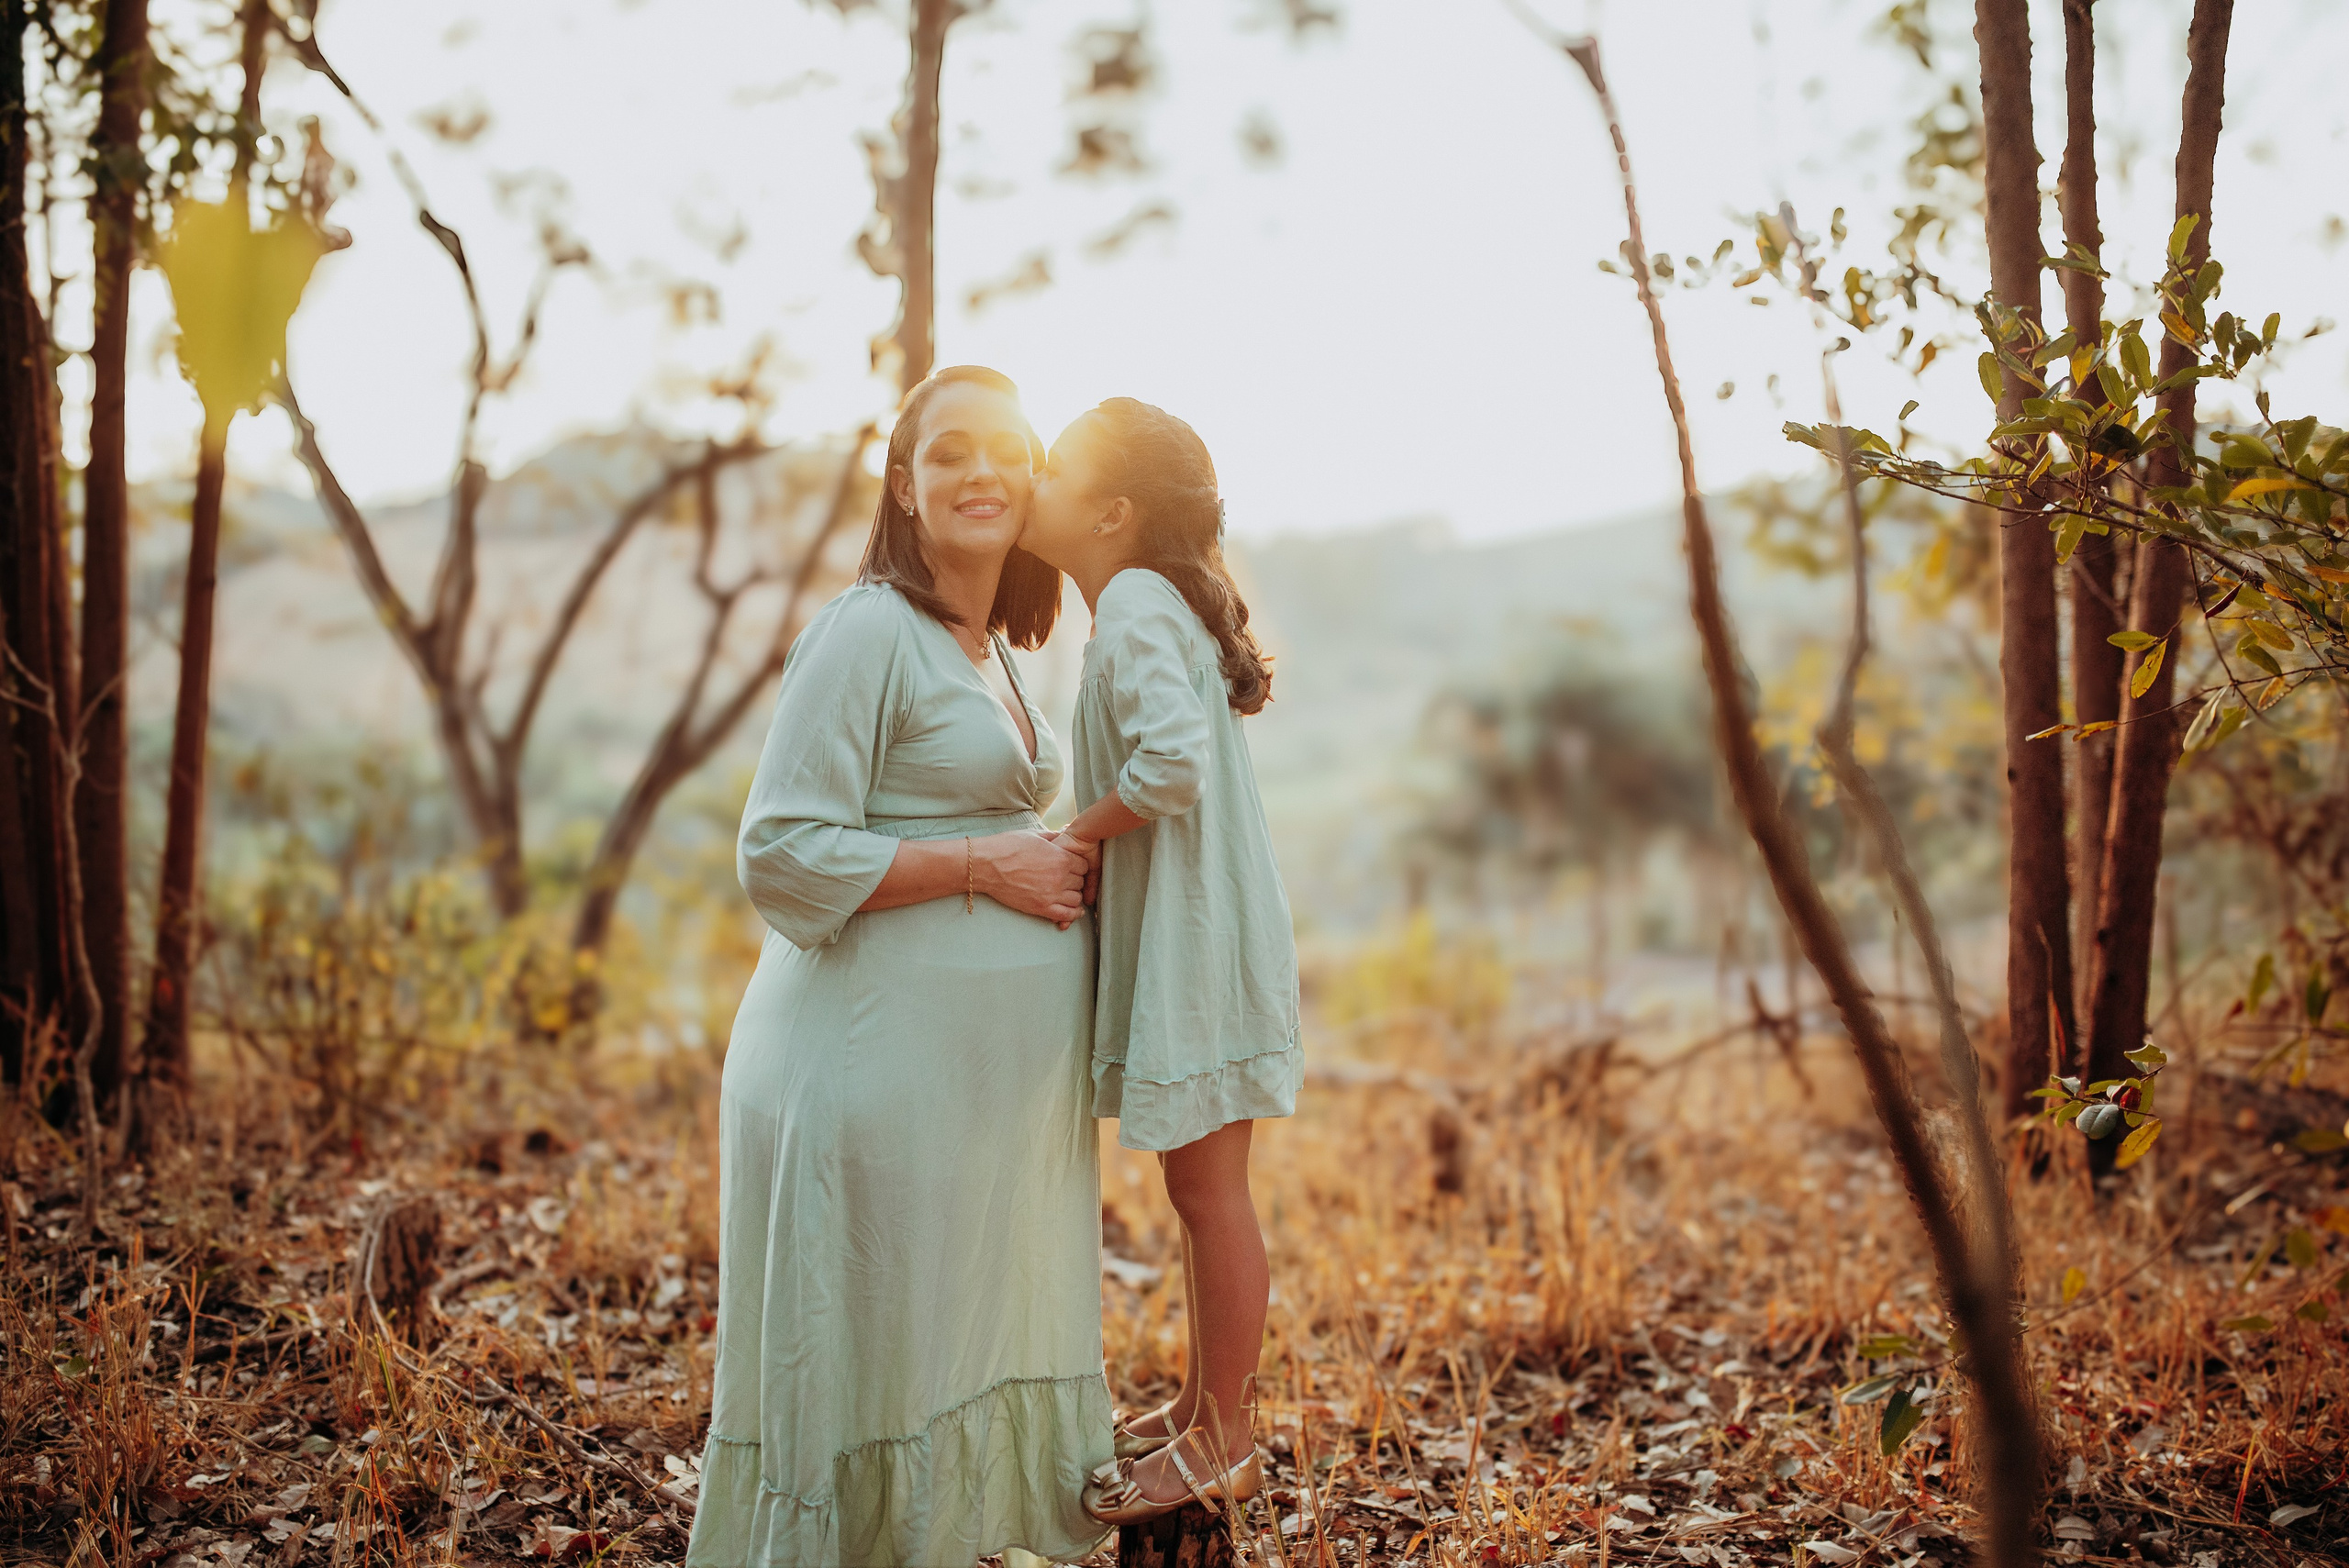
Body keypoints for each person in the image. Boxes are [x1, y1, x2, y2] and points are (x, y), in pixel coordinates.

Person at [687, 367, 1114, 1568]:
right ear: (905, 483)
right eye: (950, 454)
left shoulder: (994, 648)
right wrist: (990, 865)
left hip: (961, 1103)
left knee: (928, 1372)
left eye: (1006, 450)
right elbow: (781, 849)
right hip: (864, 1073)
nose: (983, 474)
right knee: (868, 1377)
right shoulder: (871, 626)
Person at [1019, 397, 1302, 1525]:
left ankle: (1225, 1434)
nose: (1030, 486)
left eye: (1051, 473)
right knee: (1199, 1189)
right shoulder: (1141, 603)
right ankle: (1199, 1411)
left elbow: (1171, 767)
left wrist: (1071, 837)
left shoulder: (1135, 599)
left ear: (1112, 513)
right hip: (1202, 927)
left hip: (1199, 935)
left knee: (1209, 1192)